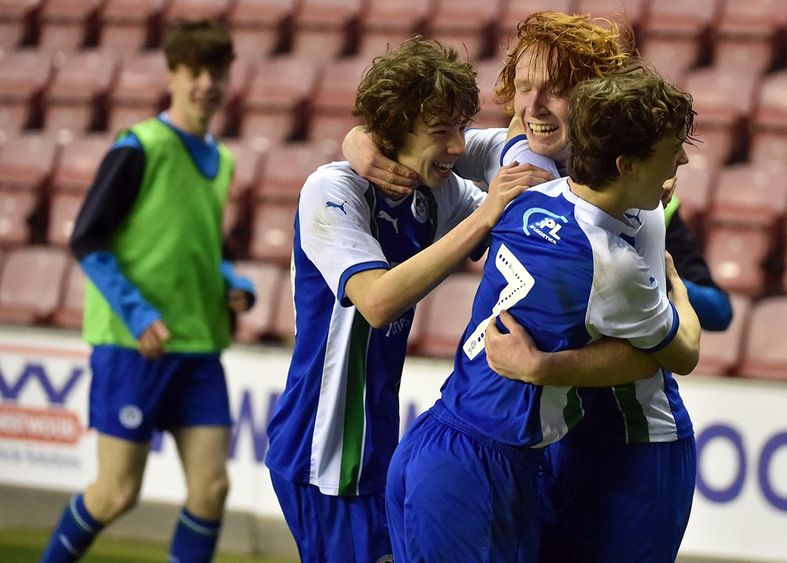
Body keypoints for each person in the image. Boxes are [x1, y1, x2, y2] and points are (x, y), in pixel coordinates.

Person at [344, 11, 728, 560]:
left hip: (630, 437)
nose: (531, 108)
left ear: (596, 97)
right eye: (523, 89)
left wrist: (542, 368)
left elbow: (647, 358)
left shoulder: (636, 211)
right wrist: (362, 139)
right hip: (542, 439)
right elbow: (427, 140)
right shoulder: (527, 160)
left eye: (556, 90)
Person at [262, 37, 549, 563]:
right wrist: (485, 217)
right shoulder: (332, 189)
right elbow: (376, 301)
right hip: (325, 448)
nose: (459, 148)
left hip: (374, 442)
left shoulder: (434, 194)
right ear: (393, 131)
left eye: (461, 129)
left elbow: (516, 198)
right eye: (442, 133)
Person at [40, 21, 255, 563]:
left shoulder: (224, 159)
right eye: (195, 72)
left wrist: (233, 283)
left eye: (217, 71)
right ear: (173, 77)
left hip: (198, 346)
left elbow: (205, 246)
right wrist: (137, 315)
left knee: (211, 490)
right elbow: (87, 239)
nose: (207, 83)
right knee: (116, 494)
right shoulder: (139, 146)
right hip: (134, 345)